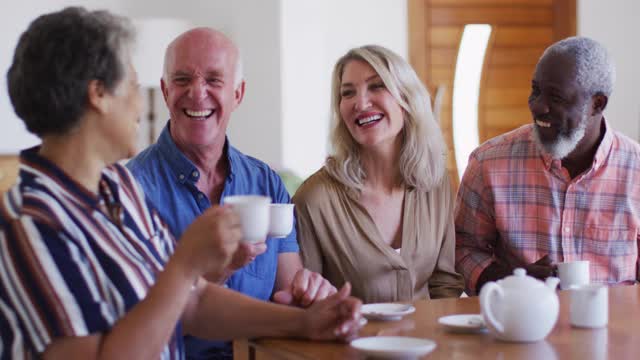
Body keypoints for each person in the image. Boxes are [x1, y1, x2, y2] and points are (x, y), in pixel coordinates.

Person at [0, 7, 362, 359]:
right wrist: (185, 263)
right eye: (130, 82)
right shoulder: (30, 220)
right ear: (98, 95)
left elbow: (193, 301)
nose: (142, 105)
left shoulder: (116, 188)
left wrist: (306, 322)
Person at [126, 27, 337, 358]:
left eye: (213, 80)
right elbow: (135, 324)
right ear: (165, 91)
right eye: (182, 80)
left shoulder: (266, 183)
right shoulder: (131, 190)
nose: (197, 93)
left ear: (238, 94)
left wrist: (310, 292)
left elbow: (287, 294)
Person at [455, 36, 640, 296]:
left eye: (556, 97)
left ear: (597, 104)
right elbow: (462, 247)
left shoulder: (636, 170)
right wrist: (511, 281)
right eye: (535, 90)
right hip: (520, 328)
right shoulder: (488, 162)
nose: (538, 106)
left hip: (617, 331)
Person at [292, 45, 464, 304]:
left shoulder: (434, 183)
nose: (360, 103)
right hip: (350, 343)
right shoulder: (314, 198)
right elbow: (307, 303)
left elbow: (445, 285)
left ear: (406, 100)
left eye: (377, 86)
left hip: (428, 342)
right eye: (347, 93)